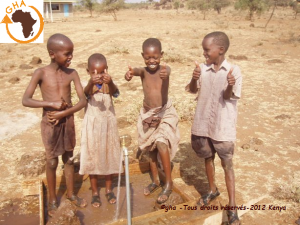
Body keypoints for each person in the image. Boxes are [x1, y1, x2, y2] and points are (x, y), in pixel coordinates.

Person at [22, 33, 87, 217]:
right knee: (51, 161)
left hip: (67, 121)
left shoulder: (72, 73)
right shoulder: (40, 73)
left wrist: (63, 113)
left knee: (69, 159)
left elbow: (82, 102)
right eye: (66, 54)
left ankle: (72, 194)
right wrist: (50, 105)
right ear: (52, 53)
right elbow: (25, 100)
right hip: (50, 123)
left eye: (71, 53)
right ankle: (52, 199)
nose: (70, 57)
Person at [186, 31, 242, 225]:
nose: (204, 54)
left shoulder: (234, 71)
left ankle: (232, 206)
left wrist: (230, 84)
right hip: (203, 124)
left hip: (222, 126)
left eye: (207, 50)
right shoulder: (202, 68)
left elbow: (228, 96)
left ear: (221, 50)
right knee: (207, 158)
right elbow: (193, 90)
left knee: (227, 164)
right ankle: (212, 190)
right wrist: (194, 78)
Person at [124, 38, 180, 204]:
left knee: (162, 143)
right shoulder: (143, 71)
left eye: (155, 57)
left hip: (164, 113)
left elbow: (167, 71)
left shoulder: (165, 69)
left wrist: (166, 74)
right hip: (148, 114)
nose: (152, 61)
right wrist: (128, 74)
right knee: (151, 149)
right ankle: (155, 181)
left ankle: (168, 182)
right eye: (148, 58)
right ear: (143, 56)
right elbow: (134, 71)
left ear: (161, 55)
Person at [79, 53, 122, 207]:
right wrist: (91, 83)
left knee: (108, 155)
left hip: (108, 125)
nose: (99, 75)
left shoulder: (109, 84)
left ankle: (109, 189)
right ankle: (95, 192)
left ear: (107, 70)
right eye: (94, 72)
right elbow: (84, 95)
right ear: (88, 71)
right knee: (93, 157)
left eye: (103, 72)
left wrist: (109, 82)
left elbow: (116, 93)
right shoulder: (87, 84)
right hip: (92, 126)